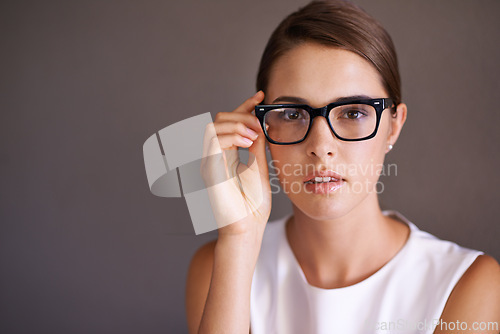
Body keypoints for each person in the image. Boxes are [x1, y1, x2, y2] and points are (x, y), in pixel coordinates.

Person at [185, 1, 500, 333]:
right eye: (292, 115)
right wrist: (239, 239)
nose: (321, 148)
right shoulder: (218, 267)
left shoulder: (466, 285)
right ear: (261, 128)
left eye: (353, 113)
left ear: (393, 125)